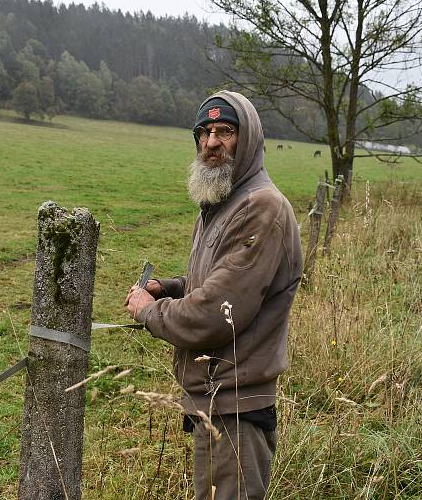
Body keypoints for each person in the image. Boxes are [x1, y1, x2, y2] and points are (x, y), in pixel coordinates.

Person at [124, 91, 302, 500]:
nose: (211, 142)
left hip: (237, 408)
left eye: (225, 131)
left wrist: (151, 312)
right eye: (204, 132)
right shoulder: (221, 203)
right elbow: (217, 285)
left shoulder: (262, 207)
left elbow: (215, 313)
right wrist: (168, 288)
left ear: (249, 140)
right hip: (216, 400)